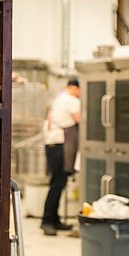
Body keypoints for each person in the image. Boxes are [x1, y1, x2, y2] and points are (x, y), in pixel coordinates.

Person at [41, 78, 81, 236]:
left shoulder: (60, 99)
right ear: (75, 88)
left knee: (58, 183)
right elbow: (82, 121)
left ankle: (54, 219)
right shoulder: (71, 100)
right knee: (57, 184)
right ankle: (47, 221)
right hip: (60, 147)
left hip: (53, 145)